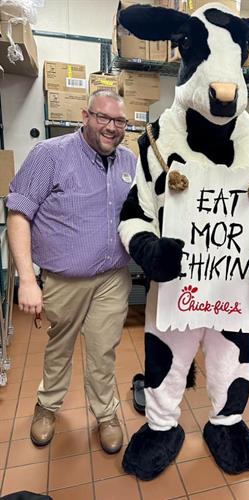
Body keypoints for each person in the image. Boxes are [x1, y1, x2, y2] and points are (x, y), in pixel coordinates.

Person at [6, 90, 136, 454]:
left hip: (113, 277)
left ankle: (106, 414)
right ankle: (47, 407)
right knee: (59, 347)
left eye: (119, 121)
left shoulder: (129, 160)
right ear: (86, 115)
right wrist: (27, 280)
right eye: (103, 118)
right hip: (64, 279)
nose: (111, 128)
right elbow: (18, 214)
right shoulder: (50, 154)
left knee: (103, 350)